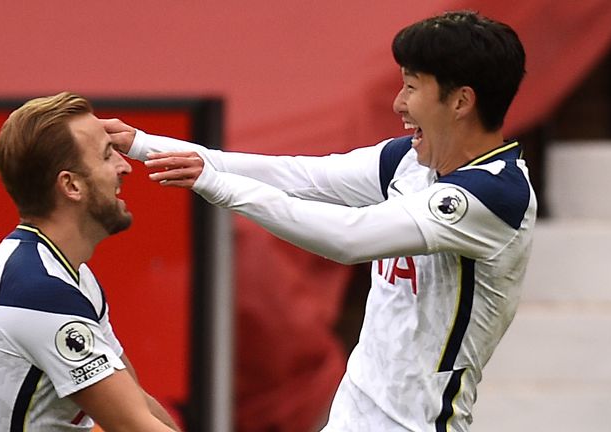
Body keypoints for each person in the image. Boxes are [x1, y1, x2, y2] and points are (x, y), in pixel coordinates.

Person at [106, 10, 534, 431]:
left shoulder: (493, 196)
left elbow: (349, 240)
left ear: (461, 101)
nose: (398, 103)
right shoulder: (407, 161)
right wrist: (144, 145)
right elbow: (298, 176)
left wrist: (218, 186)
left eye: (411, 87)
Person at [0, 92, 180, 432]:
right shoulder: (36, 289)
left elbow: (139, 405)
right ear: (71, 185)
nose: (125, 166)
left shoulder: (63, 274)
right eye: (108, 155)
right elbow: (134, 426)